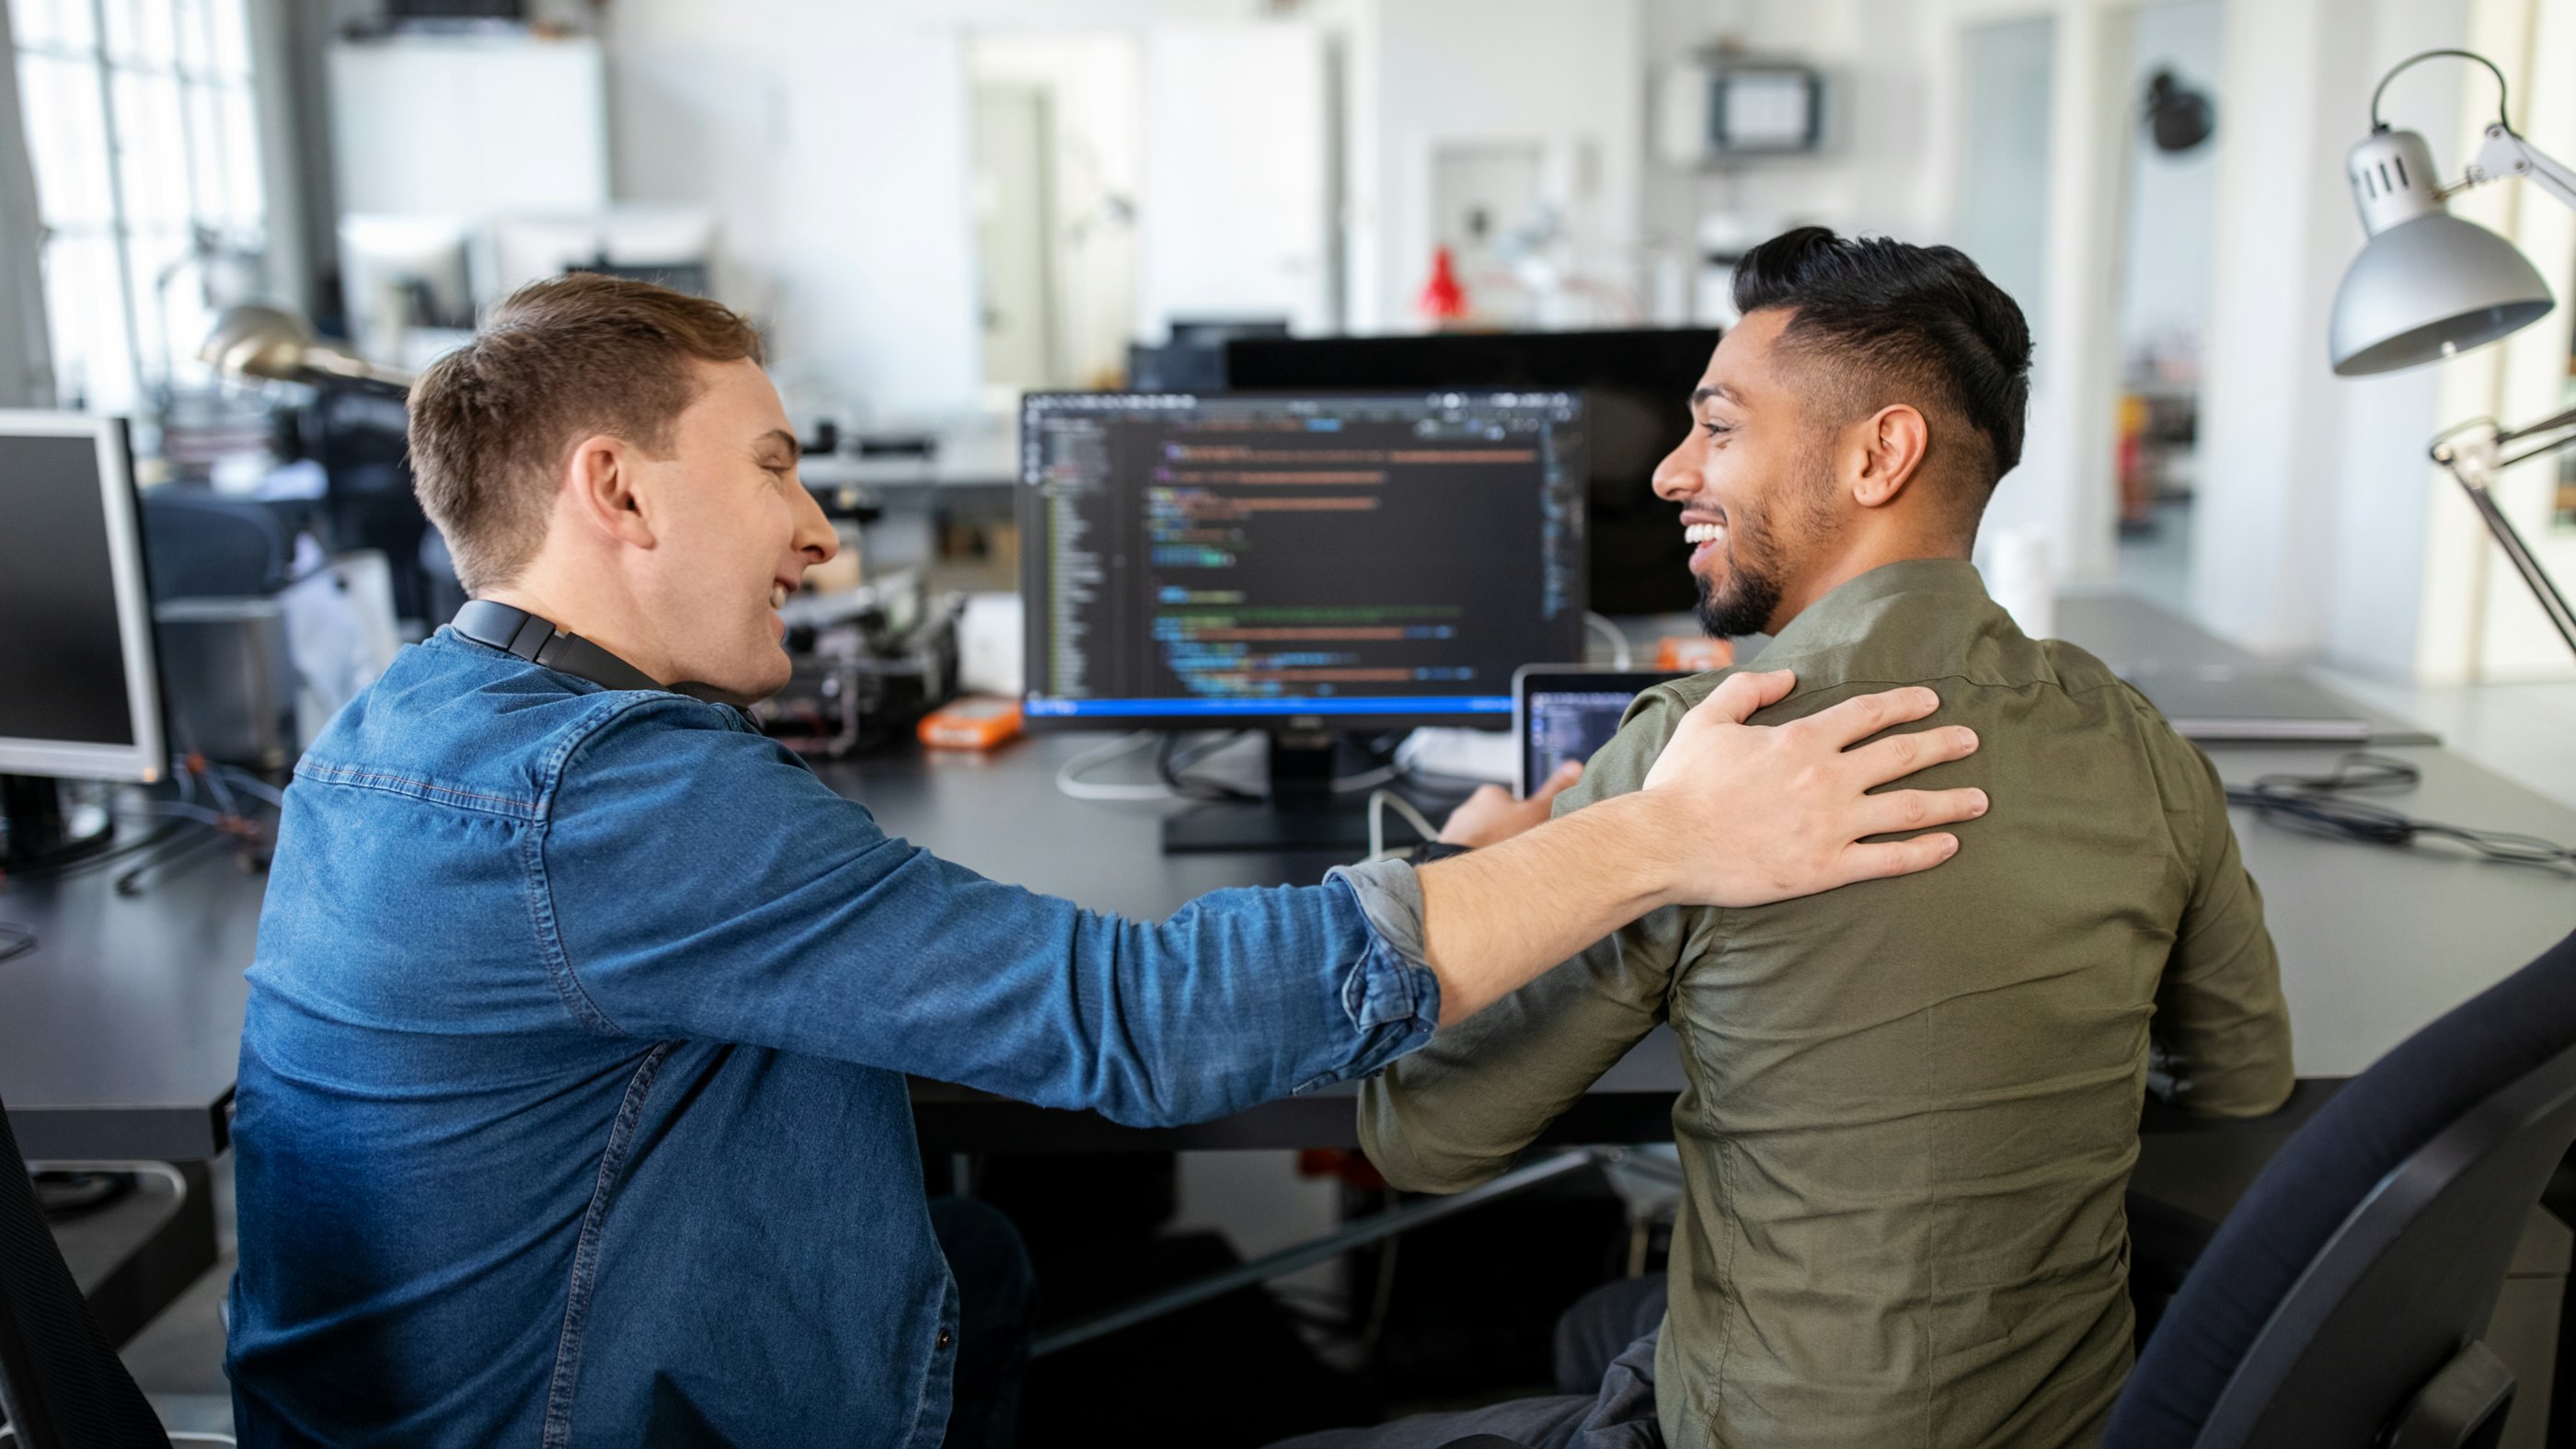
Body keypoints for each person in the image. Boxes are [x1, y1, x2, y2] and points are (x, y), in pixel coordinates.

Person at [220, 273, 1995, 1447]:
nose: (821, 530)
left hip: (475, 1387)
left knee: (1006, 1263)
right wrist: (1659, 835)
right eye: (772, 465)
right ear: (615, 493)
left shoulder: (425, 727)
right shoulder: (605, 801)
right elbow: (1134, 1023)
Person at [1297, 228, 2294, 1449]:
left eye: (1718, 429)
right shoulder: (2141, 743)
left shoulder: (1704, 746)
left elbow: (1423, 1133)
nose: (1670, 472)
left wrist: (1482, 865)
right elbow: (2239, 1080)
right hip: (2075, 1425)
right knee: (1615, 1320)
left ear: (1881, 453)